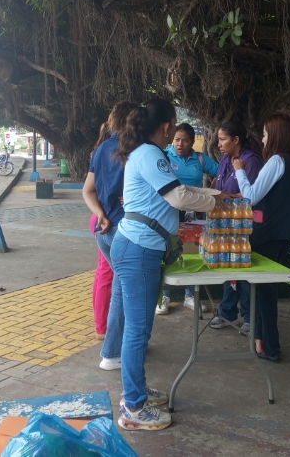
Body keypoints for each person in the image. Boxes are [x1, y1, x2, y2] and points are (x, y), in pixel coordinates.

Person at [101, 98, 227, 431]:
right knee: (137, 330)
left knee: (138, 328)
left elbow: (178, 189)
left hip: (136, 247)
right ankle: (133, 408)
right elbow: (178, 198)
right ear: (168, 126)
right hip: (139, 251)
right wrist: (214, 202)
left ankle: (136, 392)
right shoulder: (151, 154)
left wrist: (212, 195)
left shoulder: (146, 152)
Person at [234, 113, 290, 363]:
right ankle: (261, 342)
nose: (263, 140)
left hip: (267, 235)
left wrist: (240, 171)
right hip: (283, 236)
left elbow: (251, 196)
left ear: (276, 136)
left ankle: (270, 347)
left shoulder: (277, 161)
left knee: (264, 293)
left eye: (265, 135)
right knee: (264, 290)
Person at [82, 101, 137, 340]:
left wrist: (100, 214)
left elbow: (87, 190)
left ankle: (102, 326)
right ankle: (109, 332)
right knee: (120, 281)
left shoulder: (102, 147)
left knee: (104, 273)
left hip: (100, 220)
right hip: (119, 223)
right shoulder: (133, 150)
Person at [158, 123, 219, 315]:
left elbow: (220, 172)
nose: (180, 144)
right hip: (170, 211)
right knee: (168, 250)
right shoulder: (164, 156)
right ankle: (164, 296)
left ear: (192, 142)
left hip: (194, 212)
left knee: (193, 251)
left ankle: (190, 295)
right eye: (177, 139)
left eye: (185, 140)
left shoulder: (200, 159)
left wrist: (213, 190)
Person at [210, 121, 264, 334]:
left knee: (245, 271)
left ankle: (249, 317)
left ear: (236, 140)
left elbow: (250, 195)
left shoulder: (251, 161)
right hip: (226, 224)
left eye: (223, 139)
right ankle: (227, 312)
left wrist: (226, 196)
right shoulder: (225, 159)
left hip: (246, 225)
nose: (219, 144)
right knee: (229, 268)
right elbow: (220, 188)